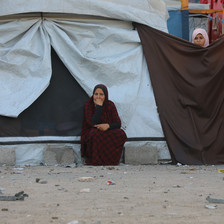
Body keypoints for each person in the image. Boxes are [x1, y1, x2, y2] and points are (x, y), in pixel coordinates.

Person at [81, 84, 127, 165]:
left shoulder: (110, 105)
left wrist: (108, 126)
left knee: (121, 134)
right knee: (94, 134)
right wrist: (99, 107)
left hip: (107, 130)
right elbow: (92, 123)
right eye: (96, 94)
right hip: (93, 131)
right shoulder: (88, 106)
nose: (98, 97)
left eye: (101, 94)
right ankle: (96, 161)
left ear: (105, 95)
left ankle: (111, 161)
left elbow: (117, 123)